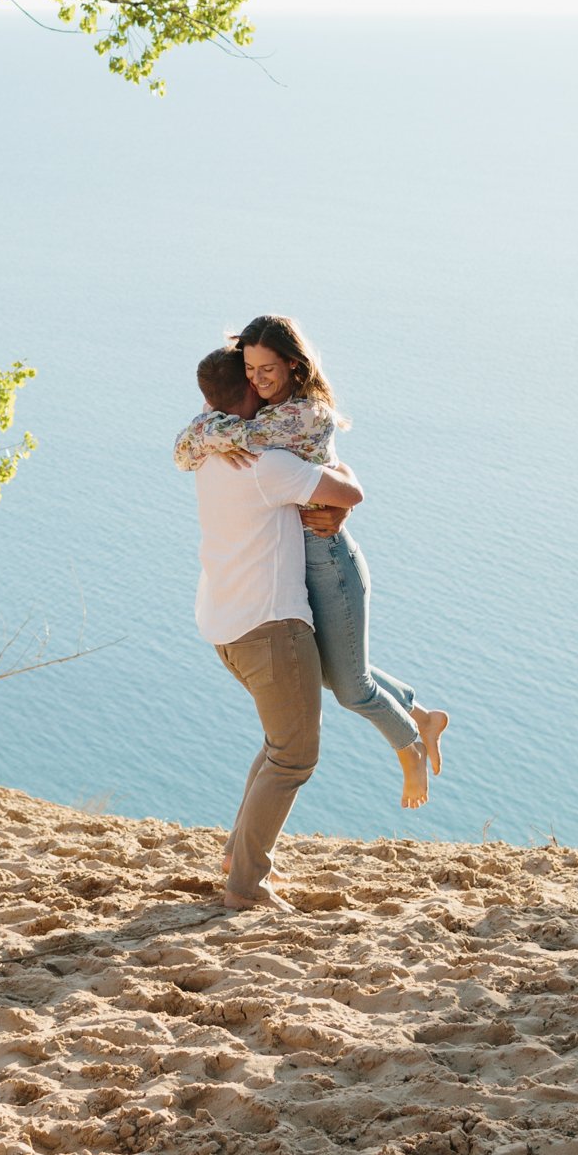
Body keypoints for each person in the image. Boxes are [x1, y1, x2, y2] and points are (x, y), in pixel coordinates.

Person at [175, 313, 448, 809]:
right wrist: (208, 431)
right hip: (301, 557)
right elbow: (192, 445)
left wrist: (208, 431)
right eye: (250, 369)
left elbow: (219, 442)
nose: (257, 379)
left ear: (295, 364)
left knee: (351, 687)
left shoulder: (301, 414)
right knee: (335, 673)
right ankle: (421, 716)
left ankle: (409, 745)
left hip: (327, 558)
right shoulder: (262, 412)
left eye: (267, 370)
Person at [189, 344, 366, 912]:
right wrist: (335, 496)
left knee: (277, 744)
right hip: (271, 626)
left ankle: (235, 857)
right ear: (246, 393)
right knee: (294, 756)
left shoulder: (209, 455)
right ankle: (245, 884)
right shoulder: (272, 464)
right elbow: (349, 493)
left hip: (224, 623)